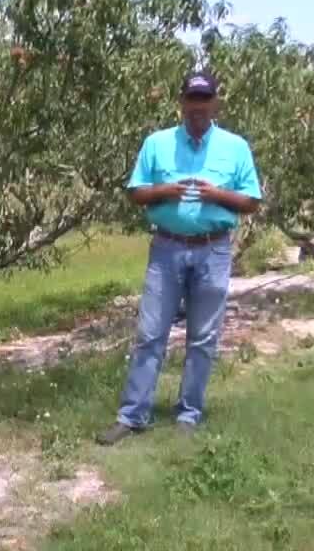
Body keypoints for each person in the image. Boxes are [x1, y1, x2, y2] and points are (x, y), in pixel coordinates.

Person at [96, 69, 263, 445]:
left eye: (205, 99)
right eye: (192, 99)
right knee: (150, 334)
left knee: (203, 338)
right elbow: (136, 193)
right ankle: (132, 415)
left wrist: (216, 195)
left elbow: (251, 201)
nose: (198, 107)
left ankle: (189, 414)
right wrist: (164, 190)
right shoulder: (157, 143)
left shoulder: (235, 147)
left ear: (215, 102)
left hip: (214, 249)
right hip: (166, 249)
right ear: (182, 102)